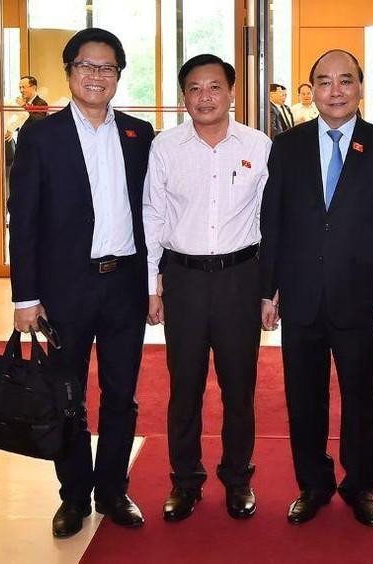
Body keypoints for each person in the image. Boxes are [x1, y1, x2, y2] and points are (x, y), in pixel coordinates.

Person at [9, 27, 154, 539]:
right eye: (86, 66)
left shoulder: (139, 135)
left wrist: (154, 284)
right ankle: (73, 495)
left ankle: (113, 488)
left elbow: (152, 215)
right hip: (64, 290)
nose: (97, 76)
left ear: (119, 75)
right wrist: (25, 297)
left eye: (107, 67)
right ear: (69, 72)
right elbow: (22, 219)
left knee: (122, 394)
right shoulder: (41, 135)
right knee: (66, 394)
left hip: (125, 286)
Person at [260, 50, 373, 527]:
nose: (336, 90)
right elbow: (274, 223)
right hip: (301, 296)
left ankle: (361, 485)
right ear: (312, 90)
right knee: (303, 398)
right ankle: (313, 484)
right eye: (324, 82)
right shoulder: (286, 146)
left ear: (360, 87)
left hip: (361, 299)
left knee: (360, 398)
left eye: (346, 81)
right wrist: (269, 290)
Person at [143, 54, 271, 522]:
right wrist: (152, 286)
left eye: (214, 87)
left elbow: (269, 221)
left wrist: (269, 290)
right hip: (184, 280)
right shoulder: (165, 147)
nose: (205, 97)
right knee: (185, 387)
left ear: (231, 92)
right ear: (184, 96)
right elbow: (153, 216)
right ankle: (185, 481)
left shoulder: (258, 146)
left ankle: (238, 480)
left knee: (239, 389)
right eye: (194, 88)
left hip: (241, 278)